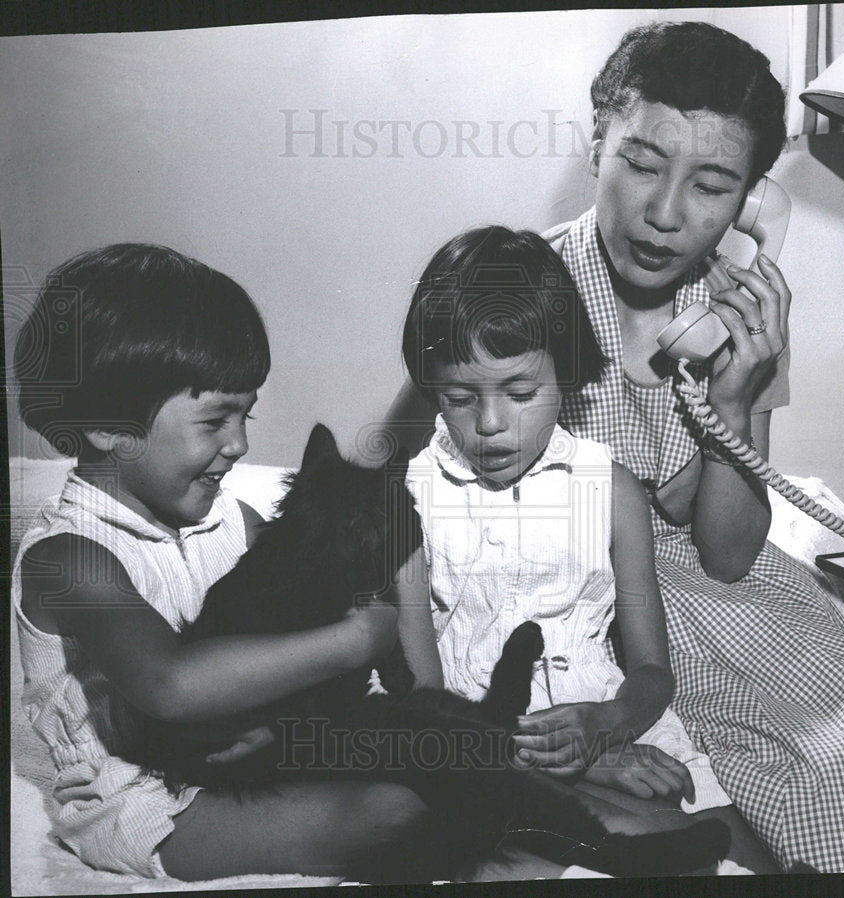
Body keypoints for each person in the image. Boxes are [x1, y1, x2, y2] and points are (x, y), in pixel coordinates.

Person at [540, 21, 844, 871]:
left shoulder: (745, 315)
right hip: (583, 602)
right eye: (640, 162)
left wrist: (734, 398)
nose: (666, 213)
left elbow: (727, 553)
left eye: (712, 184)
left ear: (753, 201)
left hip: (737, 597)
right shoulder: (519, 288)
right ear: (596, 140)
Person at [10, 244, 578, 885]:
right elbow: (170, 685)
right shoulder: (69, 558)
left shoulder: (234, 524)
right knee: (397, 812)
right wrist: (355, 640)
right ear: (107, 424)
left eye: (245, 415)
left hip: (260, 757)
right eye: (216, 420)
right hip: (147, 802)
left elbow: (351, 660)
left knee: (469, 775)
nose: (241, 444)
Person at [396, 225, 778, 874]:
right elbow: (422, 704)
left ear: (566, 375)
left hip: (612, 723)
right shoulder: (408, 501)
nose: (490, 425)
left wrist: (609, 727)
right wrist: (571, 759)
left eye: (520, 393)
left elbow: (653, 671)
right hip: (477, 748)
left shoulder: (610, 491)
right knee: (651, 847)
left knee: (744, 858)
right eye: (459, 398)